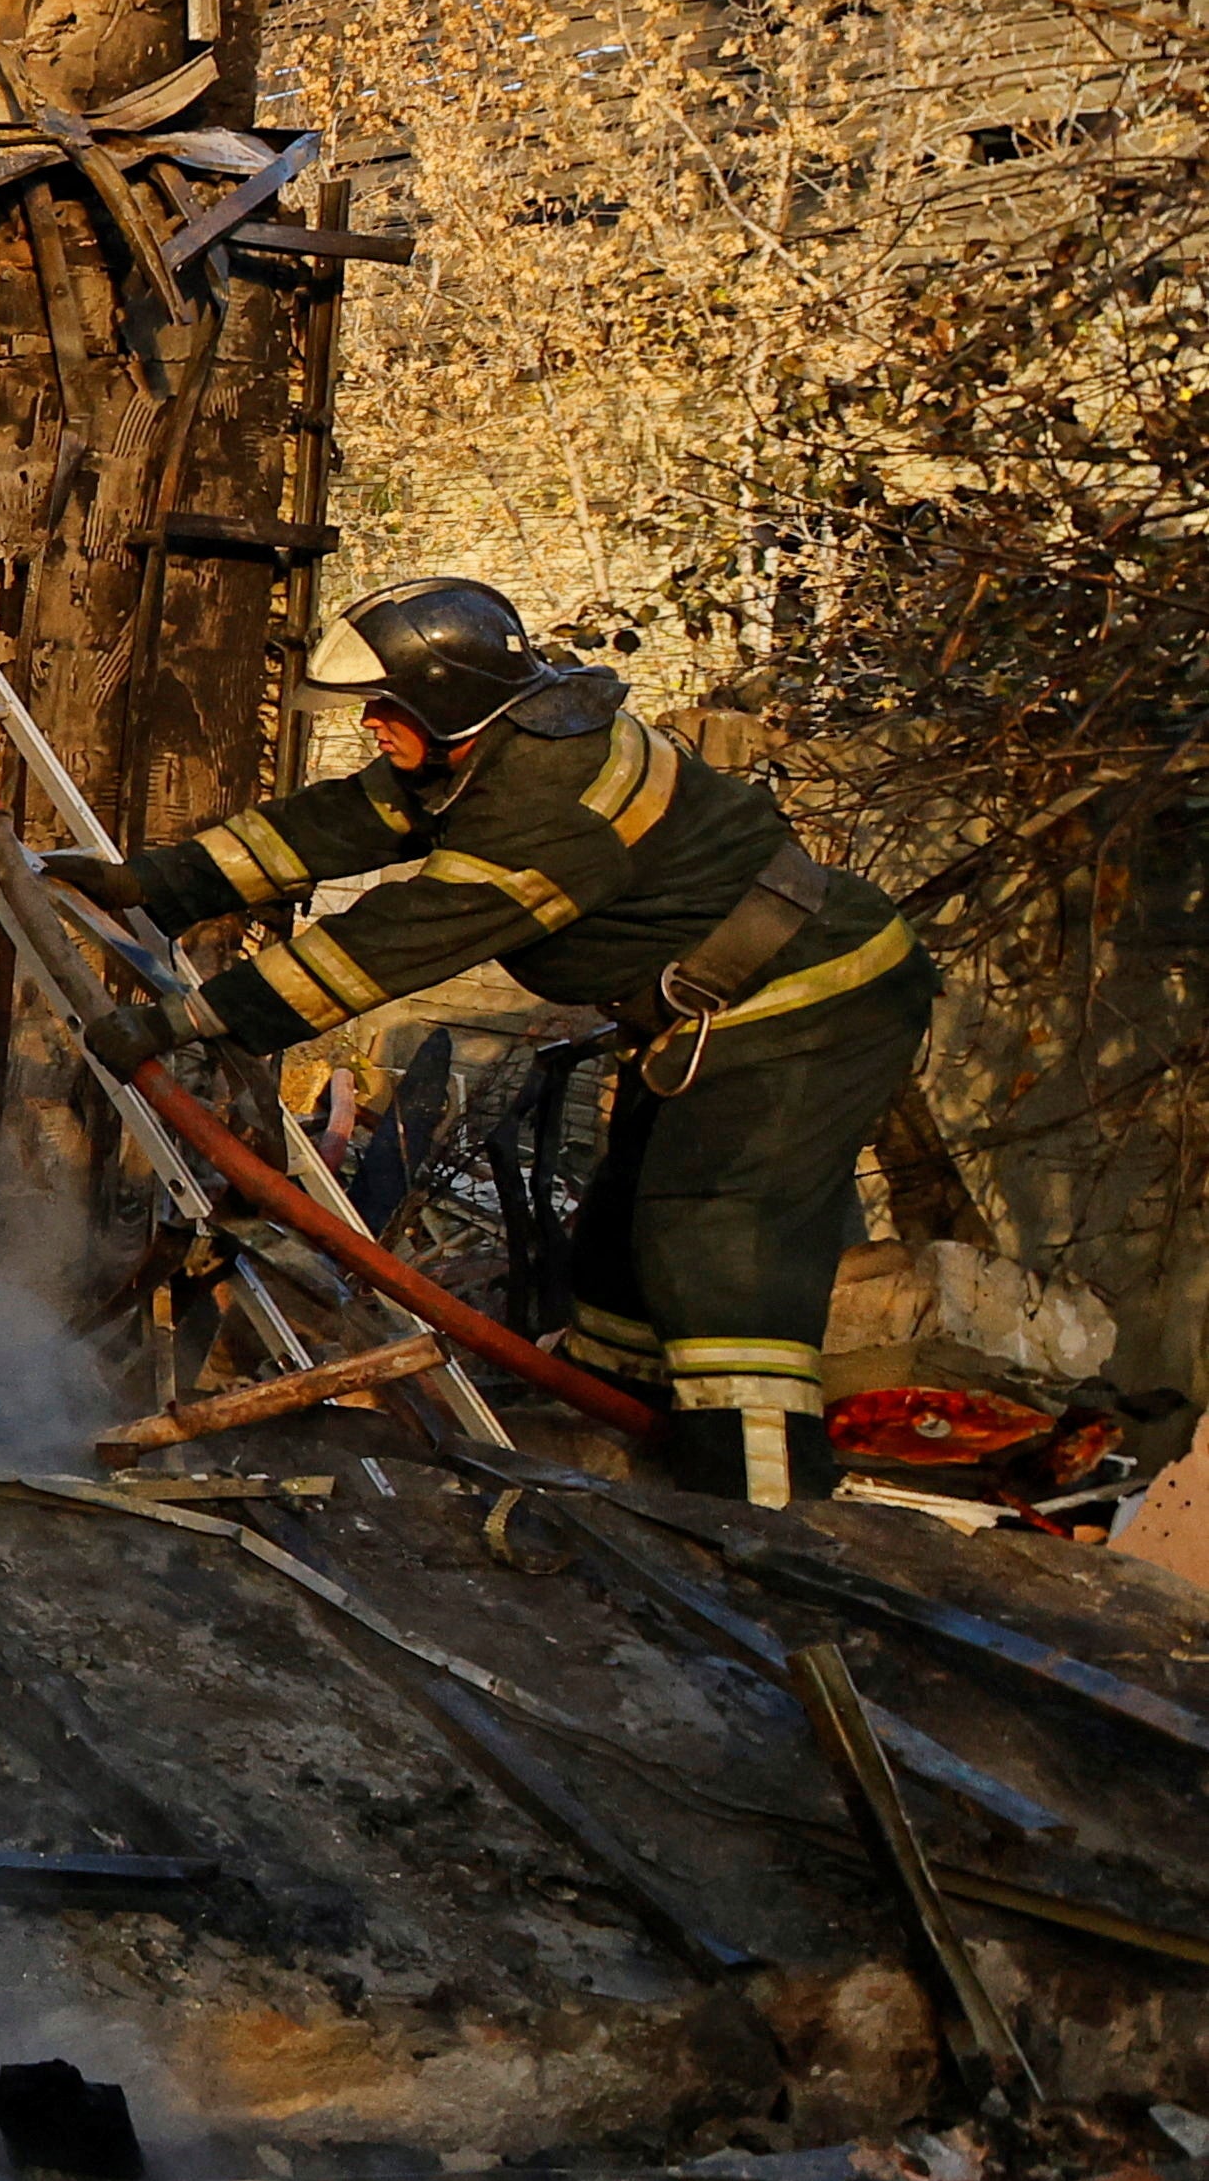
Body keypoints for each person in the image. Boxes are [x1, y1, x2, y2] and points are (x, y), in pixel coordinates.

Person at [58, 578, 931, 1507]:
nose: (375, 726)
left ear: (449, 701)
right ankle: (630, 1461)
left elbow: (395, 941)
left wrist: (188, 1021)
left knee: (719, 1251)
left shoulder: (552, 807)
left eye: (389, 707)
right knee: (616, 1254)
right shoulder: (491, 746)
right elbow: (341, 822)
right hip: (718, 1009)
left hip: (810, 1001)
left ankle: (768, 1513)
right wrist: (153, 882)